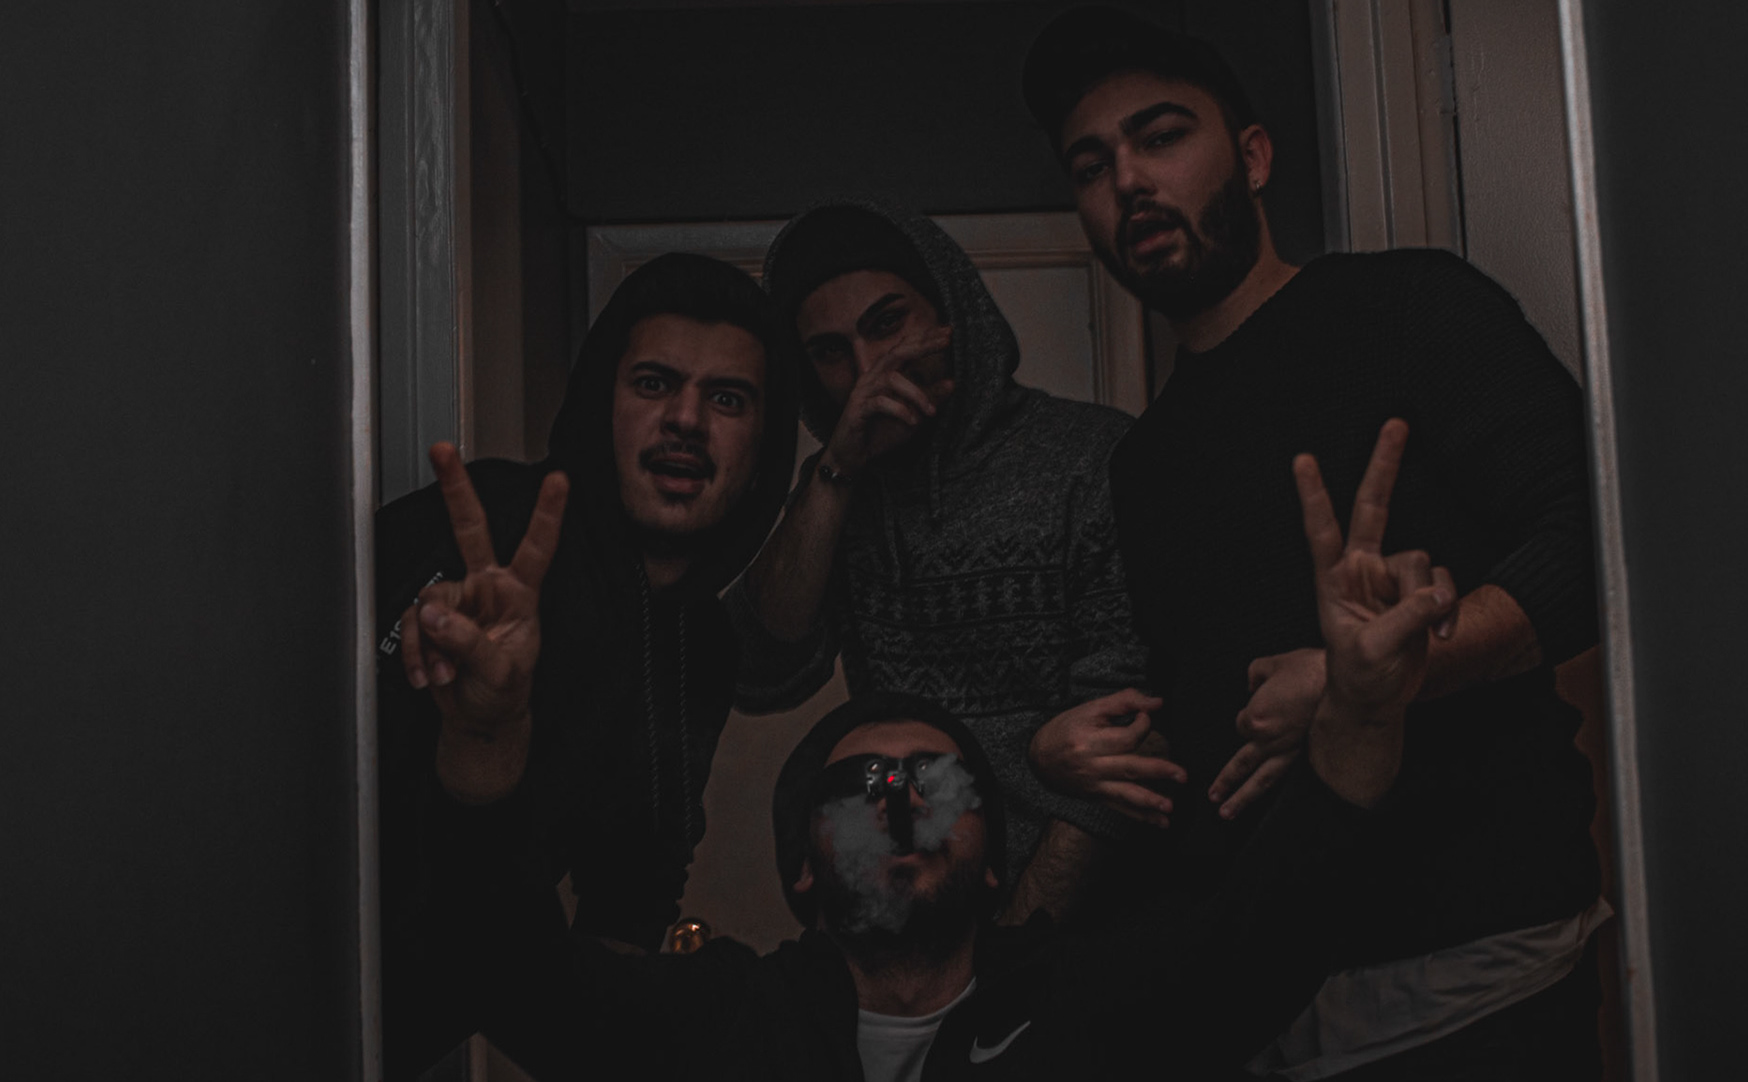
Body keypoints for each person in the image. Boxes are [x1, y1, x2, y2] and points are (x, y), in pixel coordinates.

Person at [400, 421, 1460, 1081]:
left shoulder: (1094, 1005)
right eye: (863, 785)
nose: (901, 800)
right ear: (803, 868)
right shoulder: (719, 1025)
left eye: (939, 783)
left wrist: (1364, 708)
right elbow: (506, 970)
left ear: (996, 860)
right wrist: (486, 732)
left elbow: (1284, 921)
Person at [1021, 8, 1608, 1078]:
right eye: (1092, 166)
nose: (1129, 181)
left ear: (1252, 158)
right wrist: (1080, 757)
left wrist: (1376, 681)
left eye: (1161, 136)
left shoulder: (1410, 307)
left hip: (1474, 969)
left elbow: (1590, 551)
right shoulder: (1142, 464)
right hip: (1265, 994)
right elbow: (1223, 704)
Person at [374, 253, 802, 1076]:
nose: (686, 419)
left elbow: (632, 886)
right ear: (603, 402)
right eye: (653, 383)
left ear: (763, 447)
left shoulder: (702, 646)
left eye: (727, 398)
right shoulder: (492, 529)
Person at [724, 201, 1184, 926]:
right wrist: (836, 470)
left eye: (887, 324)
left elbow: (1129, 730)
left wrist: (1014, 947)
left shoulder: (1092, 458)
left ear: (951, 314)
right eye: (831, 352)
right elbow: (759, 666)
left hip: (1090, 922)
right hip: (913, 922)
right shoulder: (839, 493)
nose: (867, 371)